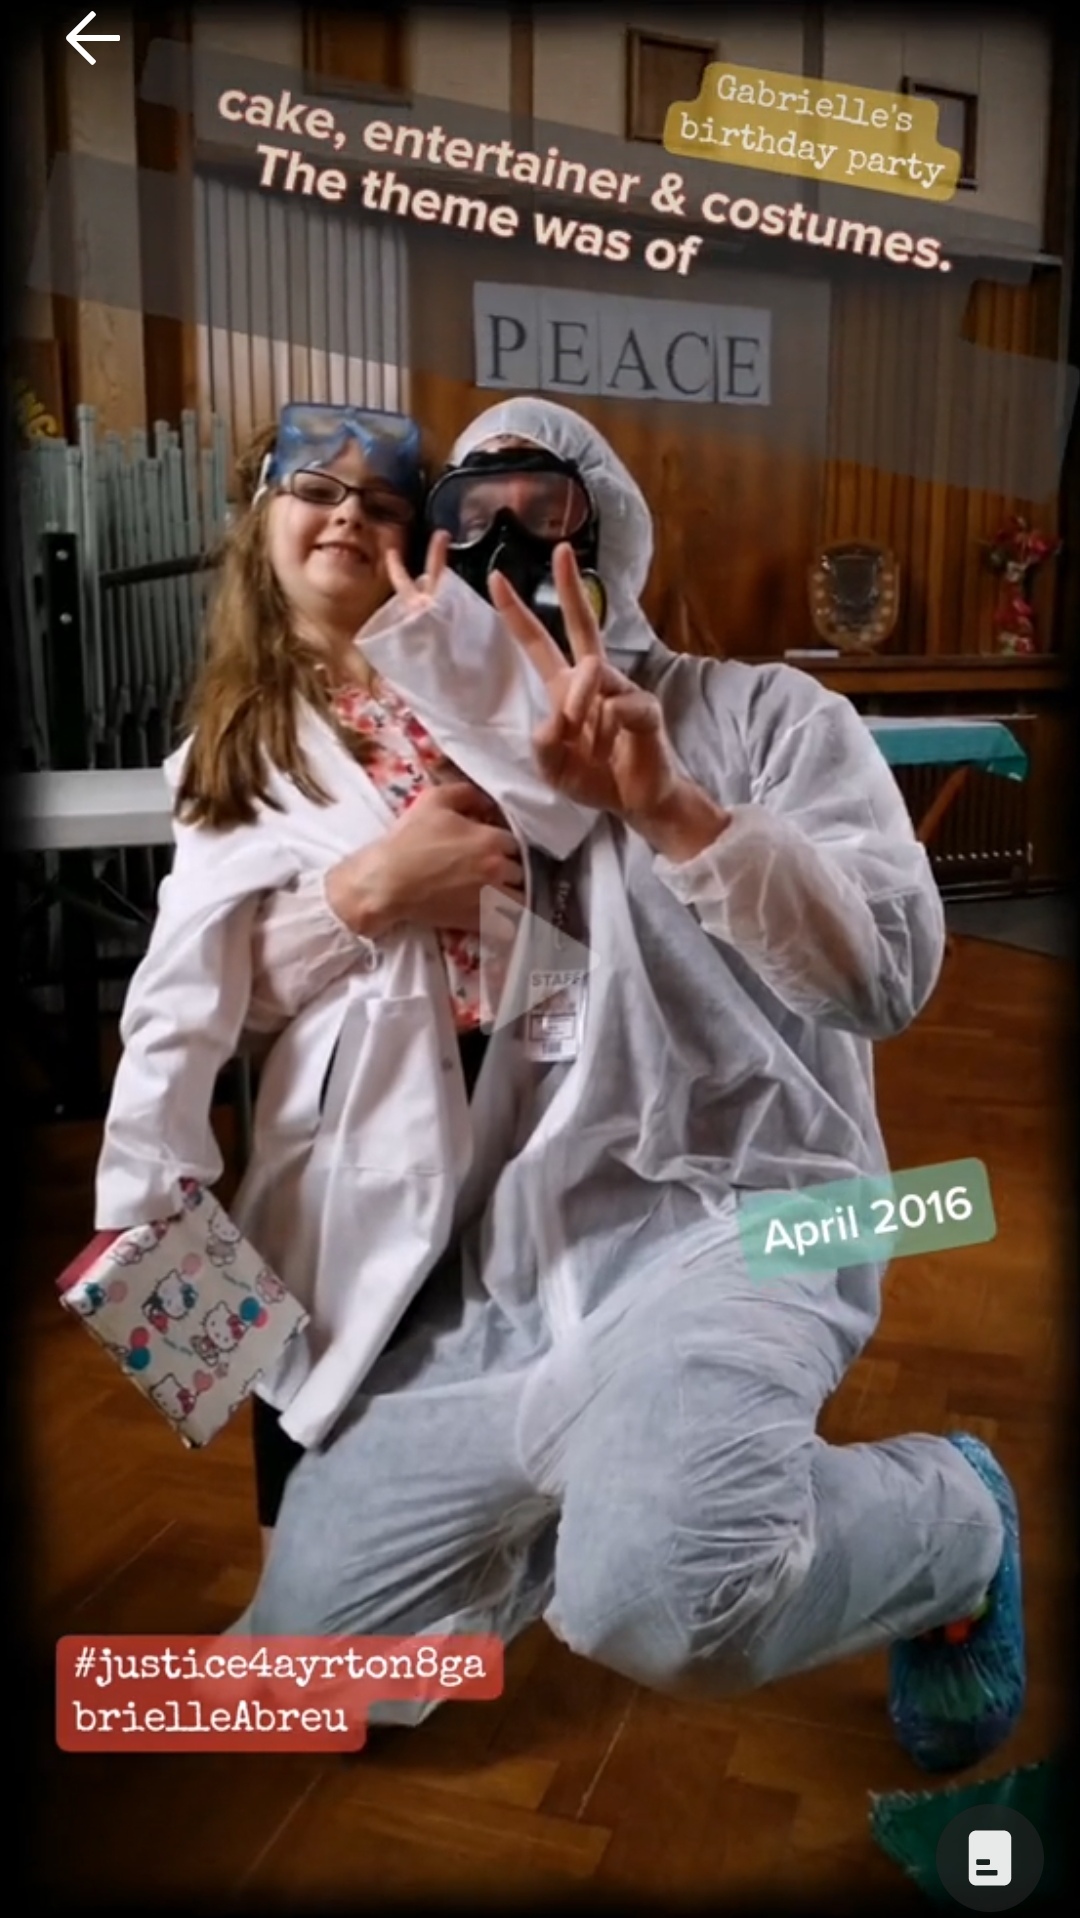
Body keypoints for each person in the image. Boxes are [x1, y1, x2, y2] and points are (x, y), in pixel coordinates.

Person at [239, 398, 1024, 1777]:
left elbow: (888, 974)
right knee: (289, 1674)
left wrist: (676, 811)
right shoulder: (444, 775)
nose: (498, 548)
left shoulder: (771, 714)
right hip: (538, 1256)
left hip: (779, 1211)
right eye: (463, 519)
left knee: (659, 1592)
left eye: (535, 511)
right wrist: (371, 882)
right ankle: (582, 1479)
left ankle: (955, 1517)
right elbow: (249, 993)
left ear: (608, 525)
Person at [92, 400, 599, 1553]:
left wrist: (565, 1027)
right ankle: (320, 1629)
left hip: (517, 1092)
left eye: (380, 503)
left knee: (480, 1373)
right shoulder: (237, 748)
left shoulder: (477, 693)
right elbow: (189, 1003)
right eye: (316, 491)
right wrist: (372, 893)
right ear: (263, 518)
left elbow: (574, 886)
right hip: (354, 1128)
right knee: (329, 1379)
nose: (346, 517)